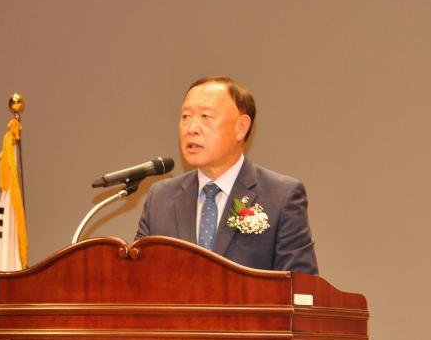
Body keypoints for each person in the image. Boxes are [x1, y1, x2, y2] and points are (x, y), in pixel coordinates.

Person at [135, 76, 318, 274]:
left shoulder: (281, 197)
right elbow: (137, 278)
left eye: (205, 116)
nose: (191, 128)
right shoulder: (160, 198)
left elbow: (299, 285)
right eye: (185, 116)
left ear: (241, 128)